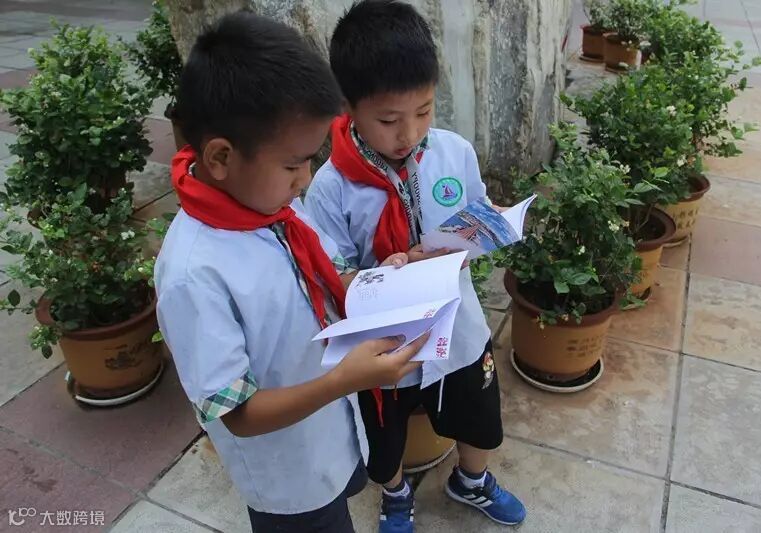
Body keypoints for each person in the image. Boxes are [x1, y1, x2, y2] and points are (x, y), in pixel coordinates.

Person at [154, 12, 426, 533]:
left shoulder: (275, 206)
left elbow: (324, 279)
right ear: (220, 157)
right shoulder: (194, 275)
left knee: (340, 498)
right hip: (287, 474)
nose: (306, 178)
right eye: (293, 164)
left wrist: (383, 280)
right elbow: (238, 414)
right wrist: (345, 379)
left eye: (311, 159)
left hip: (331, 430)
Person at [304, 1, 527, 531]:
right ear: (348, 107)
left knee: (477, 411)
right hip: (386, 344)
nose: (409, 133)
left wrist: (486, 225)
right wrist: (386, 274)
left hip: (458, 324)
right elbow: (333, 276)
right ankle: (396, 492)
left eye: (424, 111)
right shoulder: (331, 187)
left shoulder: (453, 152)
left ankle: (471, 479)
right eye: (389, 120)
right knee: (385, 435)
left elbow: (473, 211)